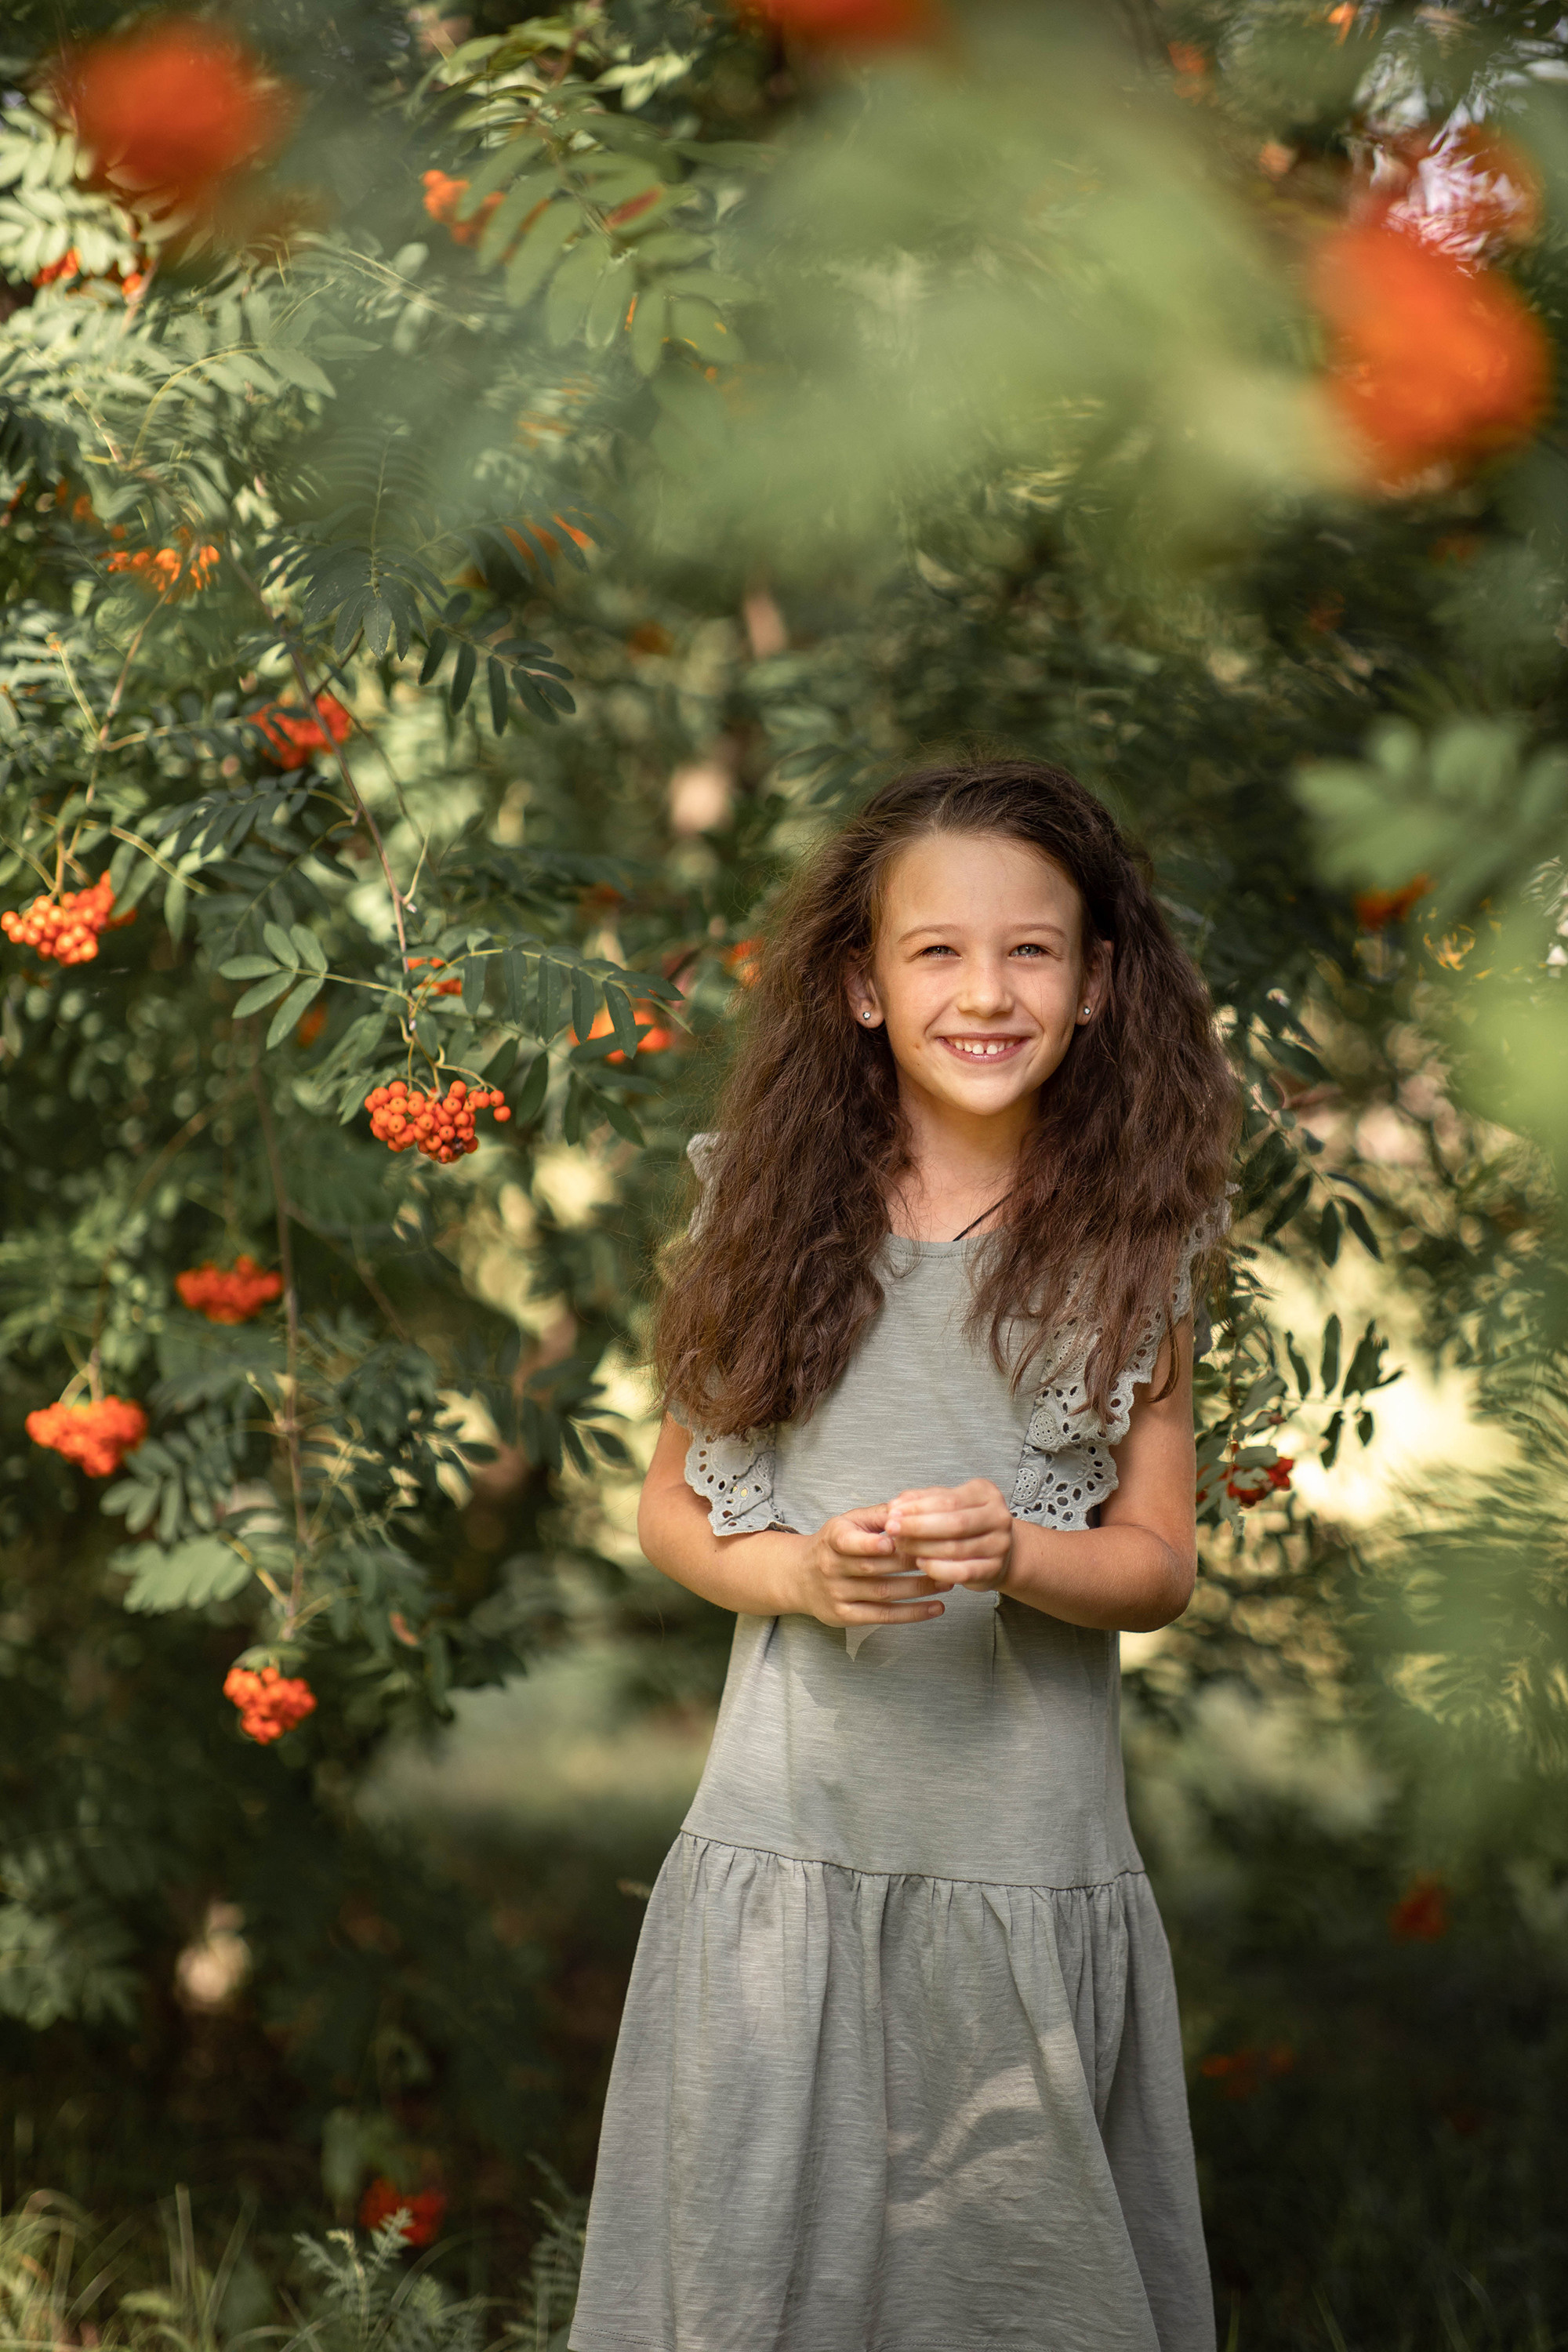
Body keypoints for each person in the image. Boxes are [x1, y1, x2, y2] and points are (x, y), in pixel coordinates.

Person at [569, 757, 1238, 2352]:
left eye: (1032, 950)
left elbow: (1159, 1564)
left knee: (1014, 2291)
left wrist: (1021, 1552)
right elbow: (672, 1513)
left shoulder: (1132, 1253)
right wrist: (798, 1576)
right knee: (760, 2284)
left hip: (1021, 1862)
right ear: (863, 987)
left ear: (1097, 983)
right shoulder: (760, 1221)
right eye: (937, 951)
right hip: (787, 1852)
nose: (985, 991)